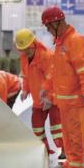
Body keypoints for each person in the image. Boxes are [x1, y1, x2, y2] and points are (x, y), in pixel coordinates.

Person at [41, 6, 84, 168]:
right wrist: (47, 91)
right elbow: (55, 71)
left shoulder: (75, 41)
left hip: (76, 99)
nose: (48, 31)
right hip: (64, 100)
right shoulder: (60, 43)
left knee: (76, 135)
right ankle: (71, 162)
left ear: (56, 23)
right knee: (68, 136)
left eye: (48, 27)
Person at [15, 28, 64, 156]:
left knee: (56, 128)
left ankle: (64, 153)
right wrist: (25, 90)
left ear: (33, 44)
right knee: (37, 127)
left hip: (52, 99)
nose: (25, 52)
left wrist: (49, 98)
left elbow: (53, 78)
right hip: (38, 99)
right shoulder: (24, 58)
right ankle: (44, 151)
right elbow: (26, 76)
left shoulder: (46, 56)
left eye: (27, 49)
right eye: (23, 50)